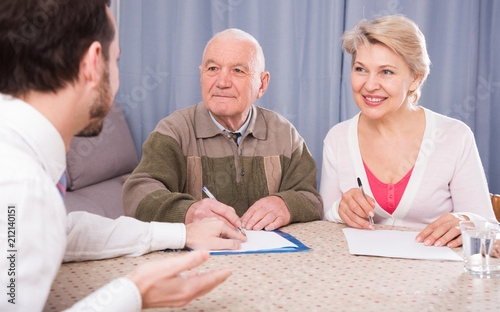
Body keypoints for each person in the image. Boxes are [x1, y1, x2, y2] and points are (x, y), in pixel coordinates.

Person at [0, 1, 246, 311]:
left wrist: (183, 232)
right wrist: (132, 294)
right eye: (116, 61)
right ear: (93, 63)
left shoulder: (21, 168)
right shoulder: (21, 184)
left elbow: (61, 229)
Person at [319, 15, 496, 248]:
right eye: (361, 69)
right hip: (358, 279)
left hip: (434, 279)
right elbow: (322, 228)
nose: (370, 85)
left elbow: (490, 229)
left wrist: (465, 221)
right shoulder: (337, 138)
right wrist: (339, 210)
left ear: (415, 78)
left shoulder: (455, 136)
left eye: (386, 72)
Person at [123, 28, 323, 231]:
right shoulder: (173, 131)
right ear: (201, 75)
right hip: (198, 258)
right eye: (212, 69)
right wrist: (189, 212)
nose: (222, 82)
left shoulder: (285, 134)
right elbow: (136, 193)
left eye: (237, 70)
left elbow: (311, 198)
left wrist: (286, 204)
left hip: (271, 260)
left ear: (262, 84)